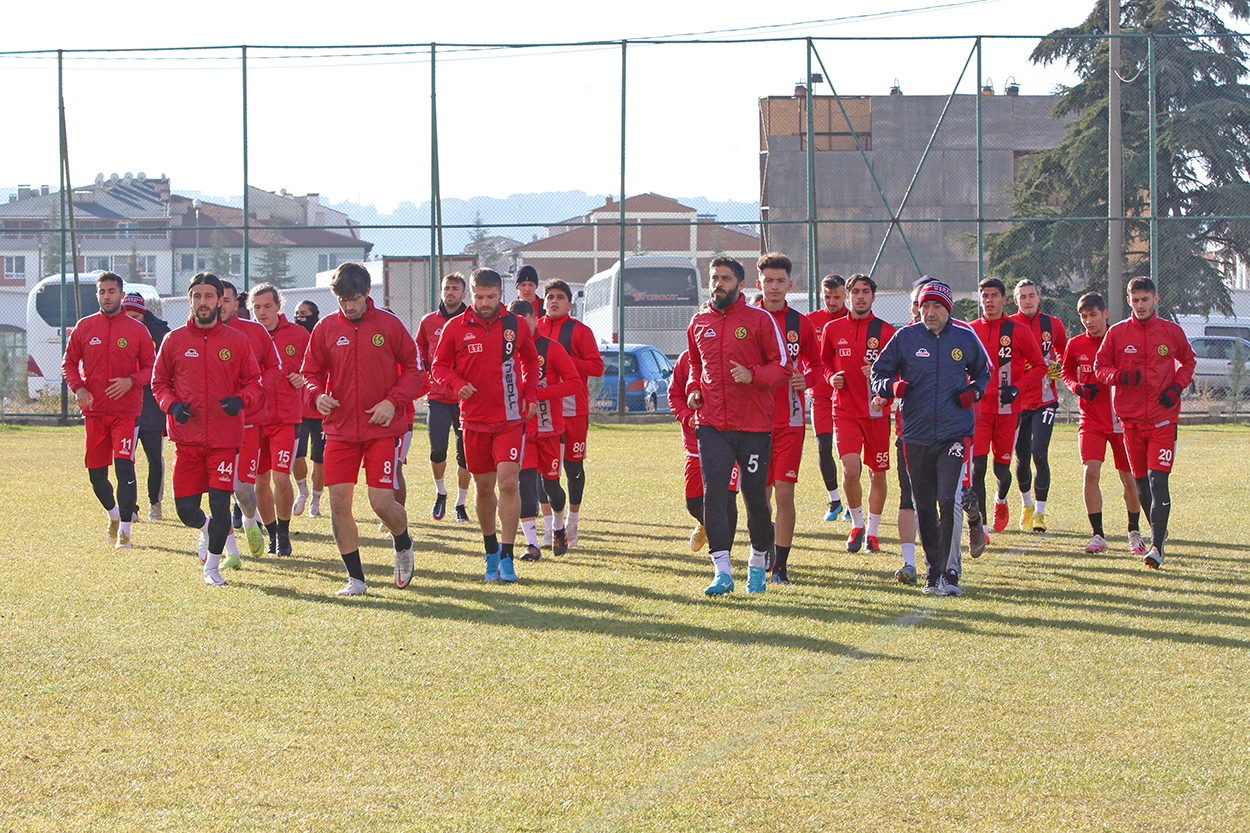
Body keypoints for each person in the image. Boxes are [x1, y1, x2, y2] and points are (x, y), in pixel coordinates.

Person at [301, 262, 425, 595]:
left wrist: (392, 401)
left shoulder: (389, 324)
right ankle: (356, 580)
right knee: (339, 503)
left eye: (354, 298)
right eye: (343, 300)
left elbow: (415, 371)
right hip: (340, 431)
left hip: (381, 429)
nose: (350, 306)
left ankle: (402, 543)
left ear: (368, 293)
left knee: (381, 503)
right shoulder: (325, 329)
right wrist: (316, 395)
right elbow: (309, 374)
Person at [871, 281, 989, 596]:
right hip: (915, 435)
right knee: (923, 504)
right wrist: (890, 388)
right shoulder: (905, 338)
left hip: (954, 433)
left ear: (948, 309)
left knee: (947, 500)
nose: (930, 312)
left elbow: (983, 372)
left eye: (937, 306)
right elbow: (879, 373)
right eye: (925, 306)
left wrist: (974, 391)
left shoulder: (964, 338)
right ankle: (932, 571)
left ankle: (951, 574)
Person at [150, 272, 262, 585]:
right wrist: (171, 405)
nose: (203, 302)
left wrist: (241, 400)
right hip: (186, 440)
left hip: (225, 440)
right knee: (186, 510)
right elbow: (159, 382)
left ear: (220, 301)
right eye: (197, 296)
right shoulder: (174, 340)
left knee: (221, 503)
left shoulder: (236, 341)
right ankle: (207, 528)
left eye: (209, 297)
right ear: (190, 300)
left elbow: (255, 381)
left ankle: (212, 569)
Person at [686, 256, 789, 596]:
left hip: (754, 425)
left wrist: (753, 375)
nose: (718, 283)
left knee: (755, 499)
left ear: (741, 284)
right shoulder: (699, 321)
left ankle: (758, 563)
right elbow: (694, 366)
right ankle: (722, 571)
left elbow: (782, 367)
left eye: (725, 278)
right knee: (713, 497)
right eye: (714, 277)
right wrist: (693, 391)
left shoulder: (759, 320)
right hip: (712, 424)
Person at [431, 268, 539, 582]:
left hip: (509, 418)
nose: (485, 302)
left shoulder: (515, 325)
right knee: (484, 488)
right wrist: (455, 382)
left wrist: (530, 392)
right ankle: (490, 549)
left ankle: (507, 555)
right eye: (479, 297)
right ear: (470, 296)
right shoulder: (455, 327)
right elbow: (438, 366)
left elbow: (530, 360)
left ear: (501, 295)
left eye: (491, 297)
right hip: (473, 420)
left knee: (508, 483)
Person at [1094, 276, 1196, 569]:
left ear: (1156, 300)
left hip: (1163, 421)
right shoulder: (1116, 333)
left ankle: (1157, 548)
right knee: (1142, 486)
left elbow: (1188, 361)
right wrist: (1121, 376)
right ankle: (1158, 532)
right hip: (1131, 422)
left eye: (1145, 300)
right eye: (1135, 300)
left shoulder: (1171, 331)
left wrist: (1176, 387)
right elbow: (1101, 369)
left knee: (1158, 480)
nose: (1140, 305)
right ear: (1129, 301)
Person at [61, 272, 156, 549]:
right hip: (94, 413)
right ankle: (113, 515)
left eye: (111, 291)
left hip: (126, 413)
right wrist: (78, 388)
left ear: (121, 295)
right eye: (102, 291)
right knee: (96, 475)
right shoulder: (84, 327)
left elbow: (152, 369)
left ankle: (125, 533)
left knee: (124, 467)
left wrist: (131, 381)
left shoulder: (138, 330)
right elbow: (69, 363)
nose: (107, 296)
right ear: (97, 295)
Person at [1061, 292, 1145, 555]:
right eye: (1083, 316)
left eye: (1093, 315)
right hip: (1091, 421)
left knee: (1129, 480)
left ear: (1105, 314)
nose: (1088, 321)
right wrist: (1078, 388)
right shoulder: (1075, 344)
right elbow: (1066, 372)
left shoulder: (1120, 339)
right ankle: (1098, 535)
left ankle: (1134, 531)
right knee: (1091, 473)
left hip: (1121, 421)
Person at [756, 252, 820, 584]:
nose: (775, 286)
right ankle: (764, 544)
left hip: (791, 422)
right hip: (754, 421)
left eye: (781, 280)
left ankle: (780, 566)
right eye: (768, 281)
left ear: (790, 284)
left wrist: (807, 380)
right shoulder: (749, 320)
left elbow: (819, 365)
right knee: (760, 494)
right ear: (759, 284)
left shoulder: (801, 323)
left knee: (784, 493)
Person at [822, 273, 896, 555]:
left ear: (873, 297)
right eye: (856, 291)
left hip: (876, 412)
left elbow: (898, 371)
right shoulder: (833, 328)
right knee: (851, 471)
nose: (861, 296)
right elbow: (824, 362)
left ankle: (873, 533)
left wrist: (879, 378)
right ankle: (857, 524)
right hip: (844, 410)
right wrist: (831, 379)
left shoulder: (887, 331)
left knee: (877, 473)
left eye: (866, 291)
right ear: (848, 295)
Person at [969, 278, 1045, 534]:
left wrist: (1018, 388)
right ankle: (981, 524)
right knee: (977, 467)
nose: (989, 300)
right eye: (985, 296)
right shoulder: (968, 331)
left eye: (994, 295)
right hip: (978, 411)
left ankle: (1001, 500)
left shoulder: (1019, 330)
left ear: (1003, 299)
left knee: (1001, 469)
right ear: (979, 299)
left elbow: (1040, 366)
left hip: (1008, 412)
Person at [509, 299, 580, 560]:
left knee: (551, 486)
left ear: (533, 319)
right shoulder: (508, 349)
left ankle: (558, 527)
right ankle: (532, 544)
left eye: (523, 322)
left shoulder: (552, 348)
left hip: (550, 429)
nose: (518, 328)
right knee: (524, 484)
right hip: (520, 430)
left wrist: (540, 393)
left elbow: (573, 383)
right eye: (513, 322)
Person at [219, 281, 282, 568]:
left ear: (236, 303)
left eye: (226, 300)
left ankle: (248, 519)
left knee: (244, 491)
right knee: (217, 491)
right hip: (211, 426)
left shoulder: (254, 332)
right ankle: (230, 551)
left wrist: (255, 392)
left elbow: (273, 368)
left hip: (248, 422)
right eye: (214, 298)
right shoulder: (193, 335)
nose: (220, 305)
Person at [537, 279, 605, 548]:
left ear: (569, 303)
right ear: (543, 301)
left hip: (573, 409)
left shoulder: (580, 331)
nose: (554, 301)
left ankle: (573, 524)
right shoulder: (534, 329)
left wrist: (563, 358)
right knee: (544, 470)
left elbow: (597, 367)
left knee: (573, 467)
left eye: (560, 297)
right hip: (542, 410)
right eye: (550, 296)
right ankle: (548, 528)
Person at [249, 283, 309, 556]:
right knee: (260, 481)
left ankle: (284, 534)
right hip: (254, 419)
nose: (262, 312)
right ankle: (272, 534)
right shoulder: (245, 335)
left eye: (267, 306)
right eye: (257, 307)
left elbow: (315, 368)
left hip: (286, 417)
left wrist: (303, 378)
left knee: (280, 476)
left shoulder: (298, 334)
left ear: (279, 306)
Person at [1009, 279, 1069, 532]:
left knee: (1039, 453)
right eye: (1022, 297)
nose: (1028, 300)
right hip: (1018, 401)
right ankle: (1027, 505)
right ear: (1015, 301)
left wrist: (1058, 369)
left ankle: (1041, 513)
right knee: (1021, 458)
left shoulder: (1052, 324)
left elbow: (1066, 353)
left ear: (1039, 297)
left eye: (1031, 295)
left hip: (1045, 400)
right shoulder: (1009, 325)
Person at [669, 349, 740, 555]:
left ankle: (723, 557)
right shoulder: (685, 359)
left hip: (729, 440)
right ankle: (708, 524)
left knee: (727, 500)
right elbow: (674, 395)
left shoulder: (732, 355)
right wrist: (686, 416)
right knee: (693, 503)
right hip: (695, 444)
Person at [416, 272, 472, 522]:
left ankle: (461, 504)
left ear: (463, 293)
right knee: (438, 449)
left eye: (455, 288)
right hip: (437, 395)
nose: (450, 292)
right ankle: (441, 492)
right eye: (446, 288)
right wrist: (425, 369)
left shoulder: (471, 320)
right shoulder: (429, 321)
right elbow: (418, 349)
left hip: (465, 397)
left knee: (466, 453)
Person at [122, 293, 171, 521]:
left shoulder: (161, 332)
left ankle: (155, 503)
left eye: (135, 316)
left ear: (143, 313)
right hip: (125, 403)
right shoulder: (116, 328)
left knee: (154, 457)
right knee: (126, 458)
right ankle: (130, 507)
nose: (131, 320)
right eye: (127, 315)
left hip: (151, 404)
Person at [805, 274, 849, 521]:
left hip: (846, 398)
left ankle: (853, 502)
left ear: (845, 296)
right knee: (823, 447)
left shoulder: (852, 320)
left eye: (837, 297)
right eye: (828, 297)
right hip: (820, 397)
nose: (832, 301)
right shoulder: (811, 320)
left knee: (847, 453)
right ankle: (834, 501)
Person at [291, 301, 326, 517]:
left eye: (305, 314)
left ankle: (316, 500)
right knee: (297, 453)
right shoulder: (293, 337)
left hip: (320, 407)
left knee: (319, 458)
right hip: (298, 408)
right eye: (297, 314)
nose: (300, 317)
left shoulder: (323, 334)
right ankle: (302, 490)